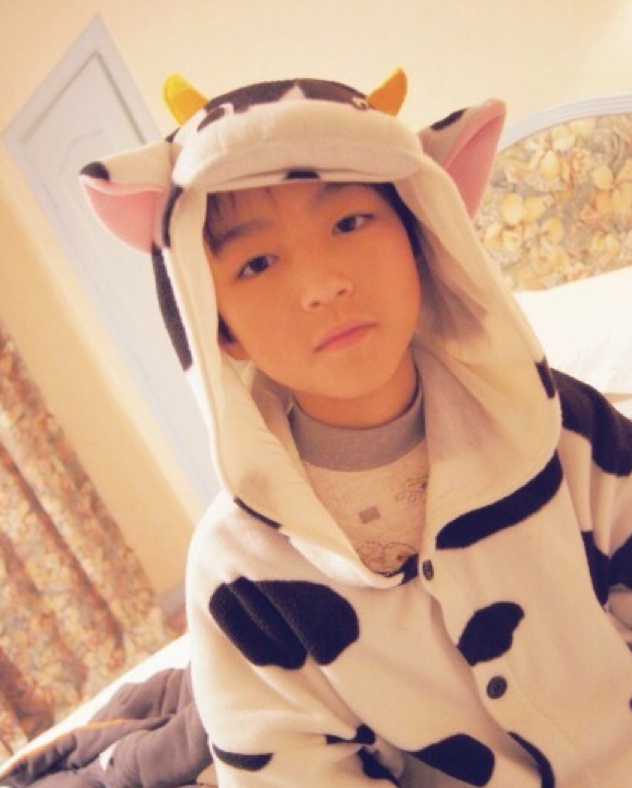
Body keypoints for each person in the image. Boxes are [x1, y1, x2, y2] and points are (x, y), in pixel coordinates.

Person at [80, 70, 632, 787]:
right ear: (218, 327)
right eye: (257, 263)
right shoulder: (239, 572)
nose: (321, 285)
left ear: (419, 237)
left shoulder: (563, 428)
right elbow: (290, 767)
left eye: (348, 223)